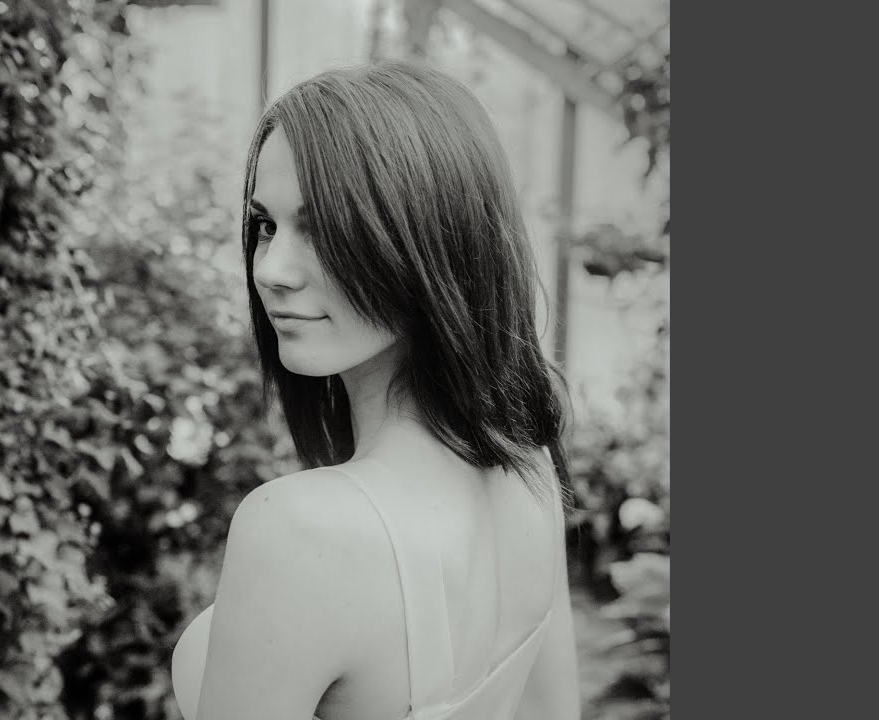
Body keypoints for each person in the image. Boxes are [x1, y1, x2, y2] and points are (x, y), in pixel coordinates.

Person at [171, 59, 579, 720]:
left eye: (323, 230)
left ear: (431, 242)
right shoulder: (528, 469)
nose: (270, 269)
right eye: (266, 225)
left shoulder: (296, 531)